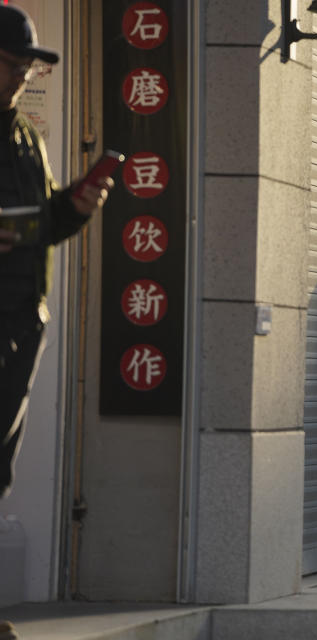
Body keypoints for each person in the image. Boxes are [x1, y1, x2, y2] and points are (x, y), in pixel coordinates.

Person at [1, 5, 113, 500]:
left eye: (24, 68)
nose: (18, 78)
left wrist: (76, 206)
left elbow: (43, 222)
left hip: (22, 322)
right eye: (8, 63)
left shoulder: (24, 134)